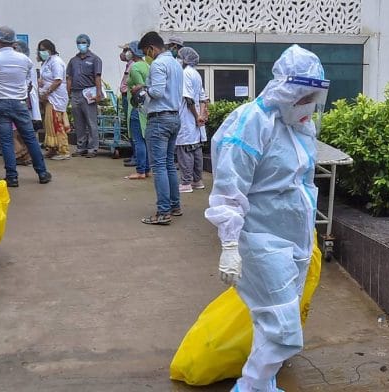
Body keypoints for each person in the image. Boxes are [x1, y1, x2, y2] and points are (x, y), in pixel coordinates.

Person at [204, 45, 330, 391]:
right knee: (284, 332)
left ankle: (263, 385)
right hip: (260, 239)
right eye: (304, 96)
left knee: (269, 325)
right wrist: (229, 243)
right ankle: (249, 388)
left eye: (315, 97)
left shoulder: (300, 126)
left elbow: (300, 184)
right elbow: (230, 187)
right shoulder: (250, 122)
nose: (309, 105)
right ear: (286, 90)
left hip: (295, 238)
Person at [0, 26, 52, 187]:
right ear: (13, 41)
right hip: (19, 103)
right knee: (30, 139)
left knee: (6, 141)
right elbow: (28, 71)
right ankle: (42, 173)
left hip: (0, 103)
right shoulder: (24, 59)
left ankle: (12, 176)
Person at [133, 32, 183, 225]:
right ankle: (174, 205)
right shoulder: (176, 64)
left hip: (160, 119)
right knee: (169, 164)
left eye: (147, 52)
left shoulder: (158, 64)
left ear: (152, 48)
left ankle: (163, 212)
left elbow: (157, 92)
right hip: (174, 117)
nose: (147, 56)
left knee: (159, 166)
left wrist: (143, 90)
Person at [176, 47, 208, 192]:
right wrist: (201, 116)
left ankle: (186, 183)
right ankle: (197, 180)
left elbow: (188, 99)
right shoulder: (196, 74)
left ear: (185, 59)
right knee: (196, 149)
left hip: (187, 118)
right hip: (196, 120)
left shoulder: (185, 74)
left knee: (185, 150)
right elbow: (202, 97)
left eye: (179, 57)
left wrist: (196, 117)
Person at [66, 34, 103, 158]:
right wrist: (68, 93)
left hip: (88, 93)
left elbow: (97, 77)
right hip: (76, 93)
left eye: (83, 42)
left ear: (88, 44)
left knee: (91, 121)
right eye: (79, 42)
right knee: (79, 122)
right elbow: (69, 78)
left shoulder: (95, 59)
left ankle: (93, 148)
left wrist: (98, 93)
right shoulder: (73, 60)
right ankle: (81, 146)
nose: (81, 45)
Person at [37, 39, 71, 161]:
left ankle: (64, 150)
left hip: (55, 97)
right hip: (48, 98)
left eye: (43, 49)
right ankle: (52, 148)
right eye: (40, 50)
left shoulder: (56, 61)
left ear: (50, 49)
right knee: (49, 124)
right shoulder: (46, 62)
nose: (41, 52)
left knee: (57, 123)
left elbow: (58, 80)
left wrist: (47, 92)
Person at [123, 40, 150, 180]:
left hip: (136, 108)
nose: (126, 53)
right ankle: (146, 168)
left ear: (133, 52)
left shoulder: (134, 68)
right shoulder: (147, 65)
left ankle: (140, 170)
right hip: (146, 108)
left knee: (138, 140)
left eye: (128, 50)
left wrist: (134, 89)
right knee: (144, 140)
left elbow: (141, 85)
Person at [12, 40, 41, 166]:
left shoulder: (26, 64)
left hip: (23, 101)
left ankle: (24, 155)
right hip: (20, 100)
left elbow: (28, 85)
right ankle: (24, 155)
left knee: (20, 131)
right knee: (20, 130)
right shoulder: (20, 63)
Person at [118, 42, 136, 168]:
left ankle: (136, 156)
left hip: (130, 98)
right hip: (126, 97)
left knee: (133, 128)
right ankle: (134, 155)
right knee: (130, 128)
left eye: (126, 50)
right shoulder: (129, 65)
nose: (123, 53)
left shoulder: (134, 66)